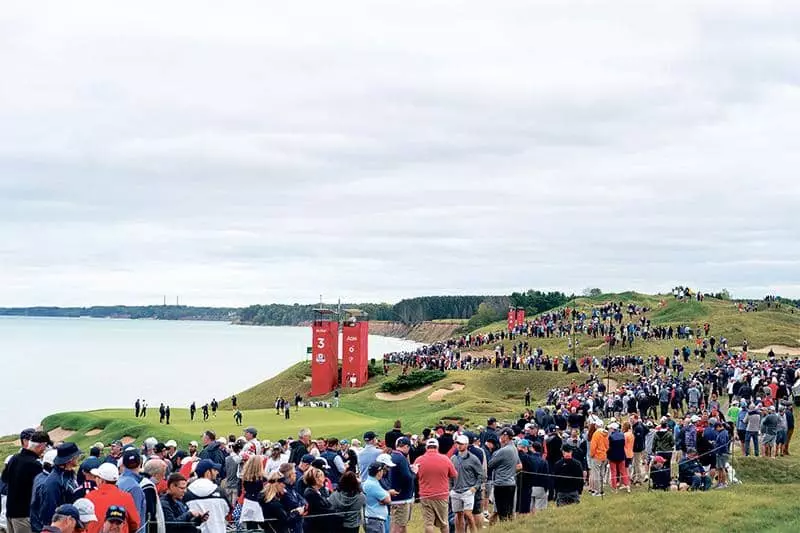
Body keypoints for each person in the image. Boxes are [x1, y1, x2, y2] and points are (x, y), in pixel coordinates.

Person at [3, 430, 48, 533]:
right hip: (24, 514)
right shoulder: (35, 465)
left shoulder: (14, 458)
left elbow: (4, 479)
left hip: (10, 512)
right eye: (44, 447)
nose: (44, 450)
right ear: (41, 446)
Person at [32, 443, 82, 532]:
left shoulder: (69, 474)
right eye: (77, 455)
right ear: (70, 459)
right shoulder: (53, 483)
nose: (79, 457)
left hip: (70, 526)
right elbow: (48, 515)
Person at [84, 463, 141, 533]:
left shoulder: (89, 496)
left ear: (101, 480)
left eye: (96, 477)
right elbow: (135, 523)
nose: (95, 480)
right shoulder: (126, 497)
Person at [415, 438, 457, 533]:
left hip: (425, 496)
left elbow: (414, 474)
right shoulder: (445, 459)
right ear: (437, 447)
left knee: (428, 524)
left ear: (426, 447)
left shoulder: (419, 460)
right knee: (444, 523)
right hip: (442, 495)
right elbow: (454, 474)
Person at [183, 460, 230, 533]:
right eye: (214, 470)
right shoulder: (220, 492)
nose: (217, 472)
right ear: (208, 473)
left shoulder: (187, 493)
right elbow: (228, 511)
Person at [450, 435, 484, 533]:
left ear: (466, 444)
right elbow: (450, 475)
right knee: (458, 514)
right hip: (456, 491)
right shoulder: (453, 458)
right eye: (457, 443)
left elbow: (481, 475)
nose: (459, 446)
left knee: (468, 514)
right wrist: (450, 489)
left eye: (461, 444)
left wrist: (475, 488)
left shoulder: (473, 459)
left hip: (468, 491)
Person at [487, 428, 519, 522]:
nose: (499, 437)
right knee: (509, 510)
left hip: (501, 484)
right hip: (511, 483)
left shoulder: (503, 450)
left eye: (501, 435)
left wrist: (495, 453)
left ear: (505, 436)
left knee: (502, 512)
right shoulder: (514, 448)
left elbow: (490, 464)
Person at [387, 437, 414, 533]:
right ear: (406, 446)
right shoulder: (401, 458)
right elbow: (407, 477)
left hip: (394, 495)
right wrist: (414, 473)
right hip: (401, 498)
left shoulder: (391, 455)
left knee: (401, 524)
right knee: (397, 526)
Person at [116, 450, 146, 526]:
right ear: (140, 463)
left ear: (123, 465)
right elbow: (135, 520)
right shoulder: (135, 487)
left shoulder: (118, 481)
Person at [302, 468, 334, 533]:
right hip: (315, 528)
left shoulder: (317, 491)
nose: (324, 479)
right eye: (322, 476)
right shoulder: (310, 493)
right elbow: (323, 509)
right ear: (316, 479)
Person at [139, 459, 166, 533]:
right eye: (163, 473)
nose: (164, 477)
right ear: (155, 474)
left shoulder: (141, 482)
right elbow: (150, 514)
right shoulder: (148, 487)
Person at [240, 455, 266, 530]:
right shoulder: (262, 478)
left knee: (250, 526)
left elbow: (243, 489)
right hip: (257, 502)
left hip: (248, 501)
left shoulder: (245, 476)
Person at [363, 463, 390, 533]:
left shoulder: (369, 482)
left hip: (373, 519)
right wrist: (388, 493)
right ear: (379, 472)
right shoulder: (373, 485)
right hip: (375, 520)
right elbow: (388, 500)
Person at [607, 423, 630, 493]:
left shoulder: (611, 437)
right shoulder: (622, 435)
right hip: (621, 455)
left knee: (613, 472)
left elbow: (609, 447)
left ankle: (614, 488)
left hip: (613, 456)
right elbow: (623, 445)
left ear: (613, 429)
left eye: (610, 428)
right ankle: (627, 486)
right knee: (623, 471)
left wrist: (608, 455)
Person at [528, 442, 549, 514]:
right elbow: (546, 476)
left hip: (529, 487)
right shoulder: (544, 461)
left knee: (529, 509)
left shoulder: (528, 459)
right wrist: (546, 488)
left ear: (533, 448)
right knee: (540, 511)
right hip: (540, 487)